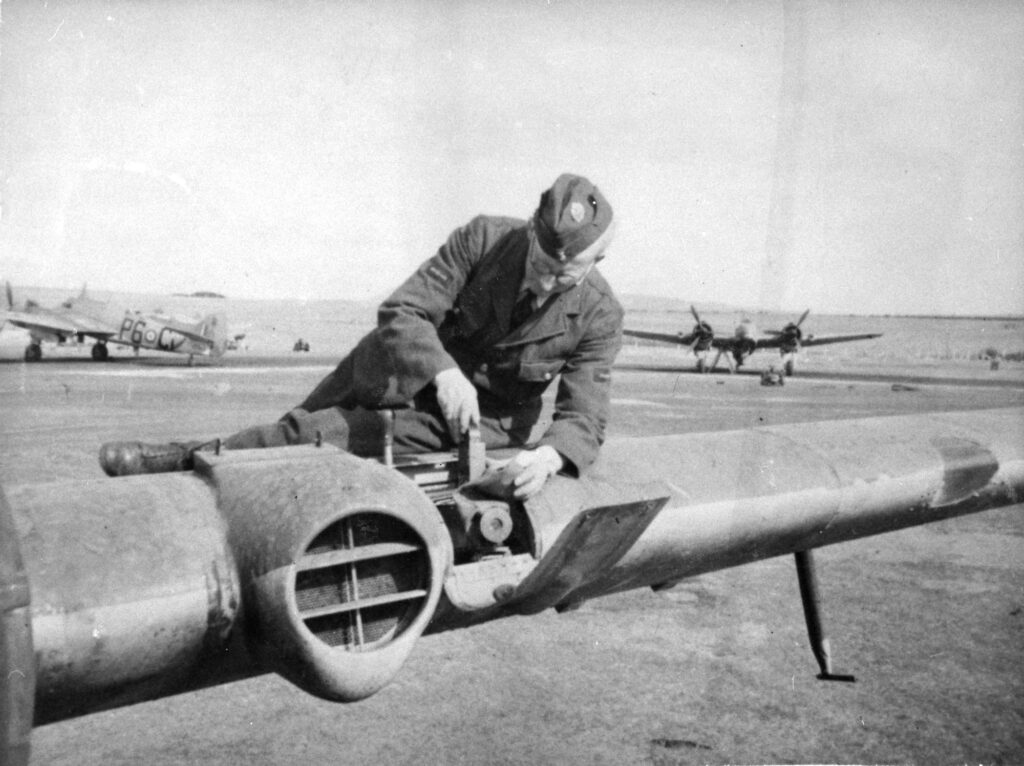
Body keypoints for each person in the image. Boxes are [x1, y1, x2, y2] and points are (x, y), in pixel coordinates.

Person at [99, 173, 622, 500]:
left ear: (598, 259)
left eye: (565, 275)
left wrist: (550, 458)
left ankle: (181, 463)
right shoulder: (485, 238)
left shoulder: (600, 316)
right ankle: (198, 462)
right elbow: (403, 310)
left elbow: (584, 416)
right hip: (392, 368)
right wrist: (443, 371)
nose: (544, 281)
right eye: (539, 263)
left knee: (312, 439)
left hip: (464, 425)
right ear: (532, 231)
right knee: (294, 430)